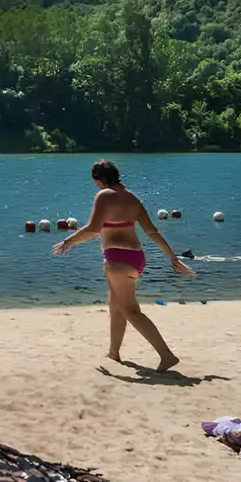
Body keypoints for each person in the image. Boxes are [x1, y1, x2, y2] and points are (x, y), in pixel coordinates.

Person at [55, 159, 195, 371]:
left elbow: (94, 228)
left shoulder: (104, 195)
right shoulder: (132, 199)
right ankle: (114, 353)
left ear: (98, 179)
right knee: (115, 307)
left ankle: (166, 355)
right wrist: (172, 256)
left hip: (118, 260)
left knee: (130, 310)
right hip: (136, 257)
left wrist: (68, 242)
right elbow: (152, 232)